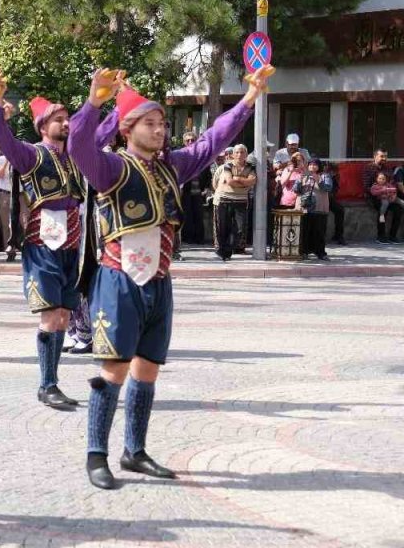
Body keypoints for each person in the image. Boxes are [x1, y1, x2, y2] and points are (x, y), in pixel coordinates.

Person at [68, 64, 273, 490]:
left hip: (159, 282)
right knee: (114, 370)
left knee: (148, 371)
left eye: (162, 123)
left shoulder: (171, 168)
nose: (160, 130)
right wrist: (92, 103)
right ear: (128, 129)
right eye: (150, 123)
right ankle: (96, 454)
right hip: (119, 281)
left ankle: (135, 450)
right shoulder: (109, 168)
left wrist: (248, 101)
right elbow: (77, 146)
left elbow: (214, 139)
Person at [0, 73, 118, 408]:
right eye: (59, 119)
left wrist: (117, 100)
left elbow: (102, 131)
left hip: (73, 240)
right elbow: (2, 137)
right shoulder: (30, 155)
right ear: (43, 126)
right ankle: (47, 385)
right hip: (43, 241)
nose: (66, 123)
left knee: (62, 315)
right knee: (51, 316)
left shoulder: (75, 154)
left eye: (67, 118)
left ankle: (52, 382)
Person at [213, 145, 255, 260]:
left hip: (240, 201)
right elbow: (229, 181)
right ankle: (223, 252)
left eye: (242, 152)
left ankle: (227, 249)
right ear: (232, 154)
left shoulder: (250, 167)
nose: (239, 155)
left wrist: (238, 179)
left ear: (246, 154)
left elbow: (252, 181)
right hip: (224, 199)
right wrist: (243, 182)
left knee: (239, 229)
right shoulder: (228, 165)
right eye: (237, 152)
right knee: (222, 227)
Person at [294, 158, 332, 260]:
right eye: (310, 164)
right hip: (305, 208)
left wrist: (318, 179)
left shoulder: (325, 176)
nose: (312, 166)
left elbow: (328, 188)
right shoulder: (304, 175)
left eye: (315, 165)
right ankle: (304, 252)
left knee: (319, 232)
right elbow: (296, 190)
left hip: (319, 208)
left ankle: (321, 253)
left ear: (319, 166)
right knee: (305, 231)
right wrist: (299, 180)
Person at [370, 171, 404, 243]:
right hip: (379, 200)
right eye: (380, 178)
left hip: (390, 200)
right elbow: (373, 192)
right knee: (383, 211)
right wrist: (384, 190)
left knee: (398, 209)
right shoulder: (375, 186)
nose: (381, 180)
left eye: (383, 179)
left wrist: (393, 196)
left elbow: (394, 190)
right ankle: (381, 236)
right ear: (376, 179)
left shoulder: (388, 184)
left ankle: (393, 235)